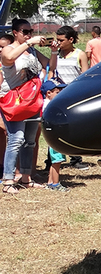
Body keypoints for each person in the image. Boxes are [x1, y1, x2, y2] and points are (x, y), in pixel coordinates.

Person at [1, 19, 52, 194]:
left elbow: (49, 65)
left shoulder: (31, 50)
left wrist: (53, 51)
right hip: (15, 100)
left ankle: (25, 177)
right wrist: (29, 43)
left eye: (30, 31)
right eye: (25, 31)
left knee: (30, 141)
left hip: (32, 100)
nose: (29, 34)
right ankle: (8, 180)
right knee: (16, 139)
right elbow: (8, 59)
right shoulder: (9, 49)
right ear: (15, 32)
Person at [49, 25, 90, 171]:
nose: (58, 43)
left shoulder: (80, 54)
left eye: (61, 40)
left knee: (73, 126)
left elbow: (85, 75)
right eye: (57, 40)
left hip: (73, 94)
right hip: (58, 94)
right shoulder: (56, 54)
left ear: (71, 40)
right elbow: (51, 71)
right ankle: (52, 158)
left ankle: (75, 158)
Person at [41, 79, 69, 191]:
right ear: (48, 93)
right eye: (57, 92)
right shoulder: (50, 106)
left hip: (52, 138)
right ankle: (56, 184)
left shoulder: (48, 104)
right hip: (54, 138)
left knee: (54, 162)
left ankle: (50, 182)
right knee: (57, 161)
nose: (60, 94)